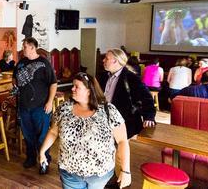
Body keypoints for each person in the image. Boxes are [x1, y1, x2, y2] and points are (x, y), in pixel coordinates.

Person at [39, 73, 131, 189]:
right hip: (69, 172)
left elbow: (122, 141)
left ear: (89, 91)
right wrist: (43, 151)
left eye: (76, 86)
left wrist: (126, 170)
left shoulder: (109, 111)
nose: (72, 89)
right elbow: (53, 131)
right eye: (73, 85)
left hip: (99, 174)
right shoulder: (64, 108)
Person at [13, 37, 57, 169]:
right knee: (28, 134)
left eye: (25, 46)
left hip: (40, 106)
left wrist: (50, 102)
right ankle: (31, 158)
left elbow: (53, 84)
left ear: (32, 47)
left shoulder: (44, 63)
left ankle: (45, 160)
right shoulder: (20, 63)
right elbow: (14, 78)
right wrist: (15, 86)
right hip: (24, 106)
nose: (22, 49)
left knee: (41, 135)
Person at [99, 48, 156, 139]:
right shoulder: (103, 76)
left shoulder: (131, 78)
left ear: (115, 61)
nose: (103, 60)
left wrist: (149, 116)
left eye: (106, 58)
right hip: (104, 119)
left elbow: (146, 98)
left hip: (123, 121)